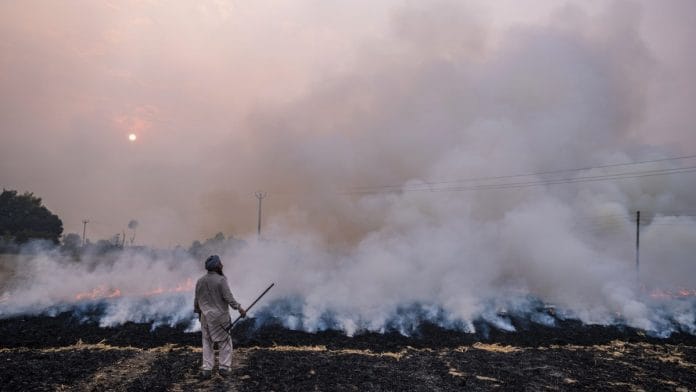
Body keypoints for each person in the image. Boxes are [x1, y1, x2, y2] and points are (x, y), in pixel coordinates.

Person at [194, 255, 246, 378]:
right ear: (217, 266)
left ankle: (207, 369)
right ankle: (224, 368)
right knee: (225, 342)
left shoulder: (200, 281)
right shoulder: (221, 280)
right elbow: (228, 298)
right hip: (220, 318)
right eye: (220, 263)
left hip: (205, 317)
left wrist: (197, 312)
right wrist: (239, 308)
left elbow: (196, 300)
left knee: (207, 342)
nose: (222, 265)